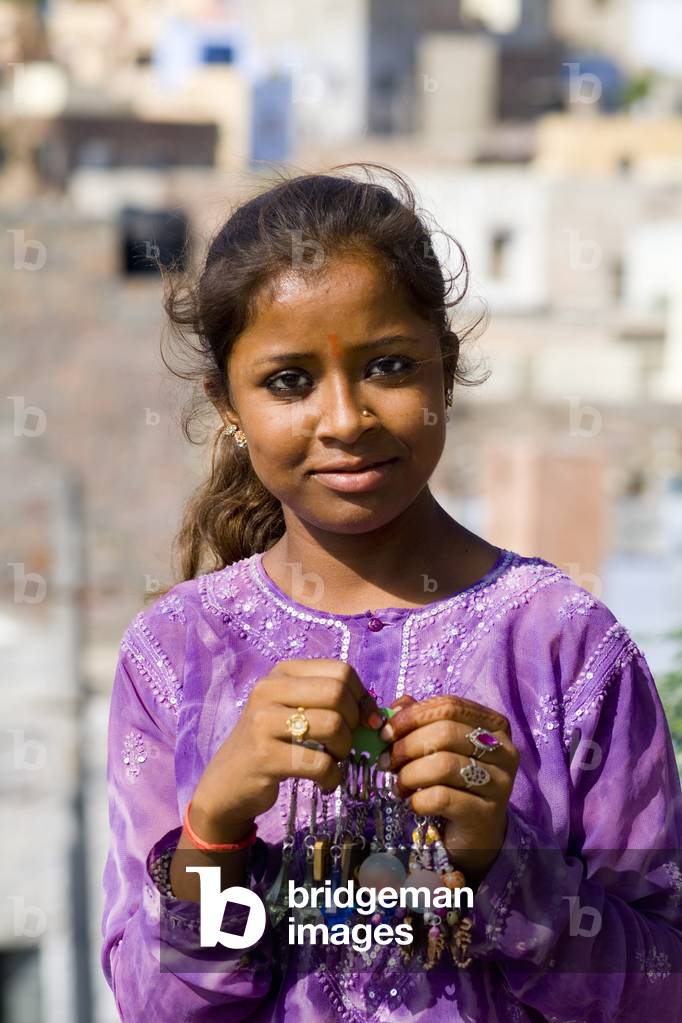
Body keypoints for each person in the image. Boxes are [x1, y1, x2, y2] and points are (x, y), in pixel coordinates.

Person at [101, 165, 682, 1022]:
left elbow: (661, 983)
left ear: (445, 369)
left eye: (388, 366)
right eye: (289, 381)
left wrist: (502, 867)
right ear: (226, 403)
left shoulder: (565, 647)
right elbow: (156, 1005)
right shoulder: (177, 656)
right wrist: (215, 826)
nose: (345, 418)